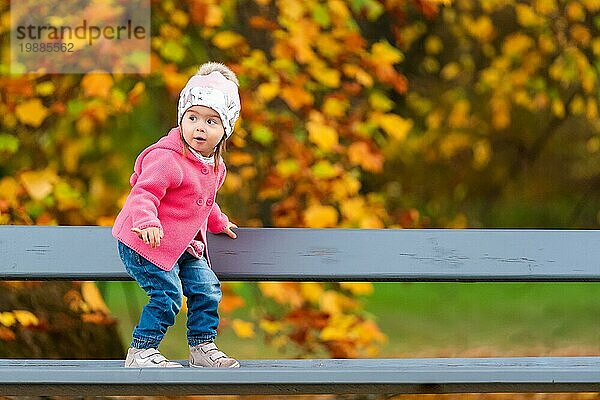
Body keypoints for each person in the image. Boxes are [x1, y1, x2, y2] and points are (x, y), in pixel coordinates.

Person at [112, 62, 241, 368]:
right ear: (181, 119)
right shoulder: (166, 159)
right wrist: (146, 222)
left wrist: (218, 222)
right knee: (167, 294)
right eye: (193, 117)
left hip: (182, 247)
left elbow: (202, 201)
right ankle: (141, 350)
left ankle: (201, 346)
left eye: (211, 122)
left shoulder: (214, 165)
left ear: (225, 130)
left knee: (207, 289)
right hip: (145, 243)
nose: (200, 127)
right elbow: (143, 194)